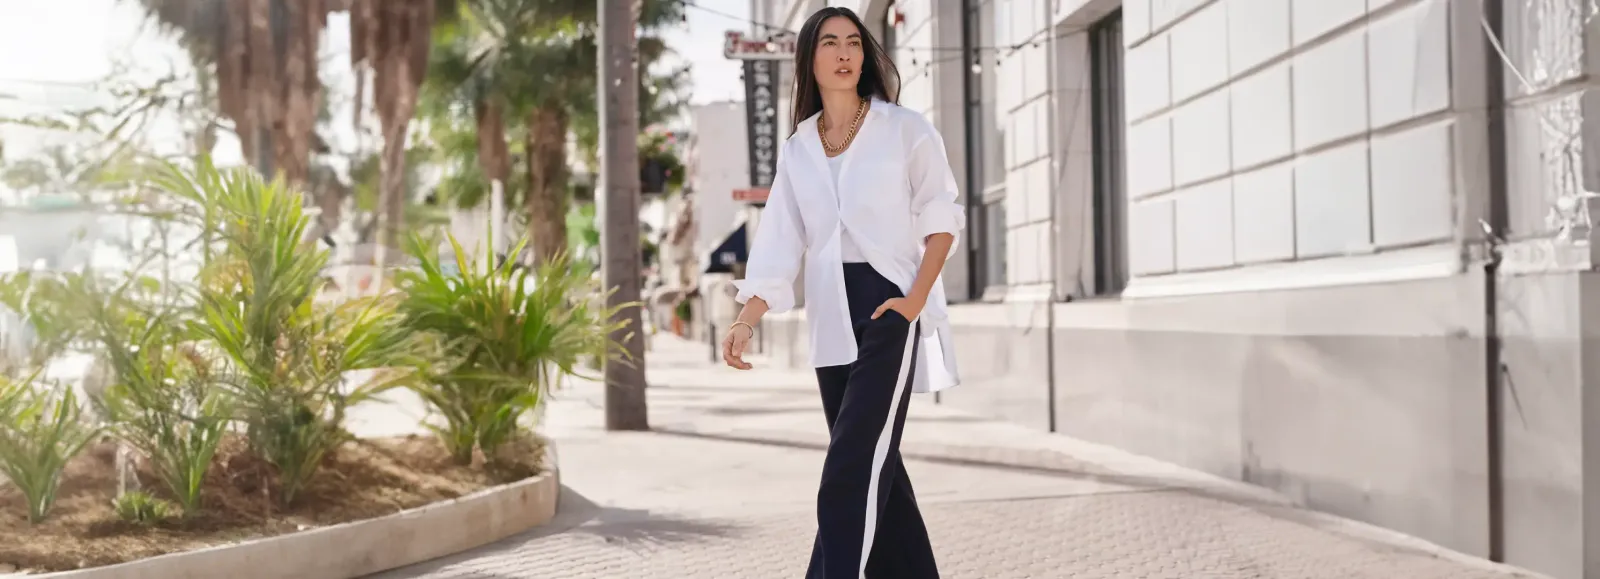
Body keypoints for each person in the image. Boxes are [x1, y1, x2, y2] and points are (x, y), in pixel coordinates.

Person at [720, 6, 964, 579]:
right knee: (880, 471)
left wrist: (913, 301)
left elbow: (942, 218)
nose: (844, 52)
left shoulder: (904, 128)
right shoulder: (798, 148)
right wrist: (744, 320)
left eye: (854, 41)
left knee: (850, 468)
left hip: (888, 307)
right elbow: (780, 241)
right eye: (829, 42)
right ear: (810, 58)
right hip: (831, 319)